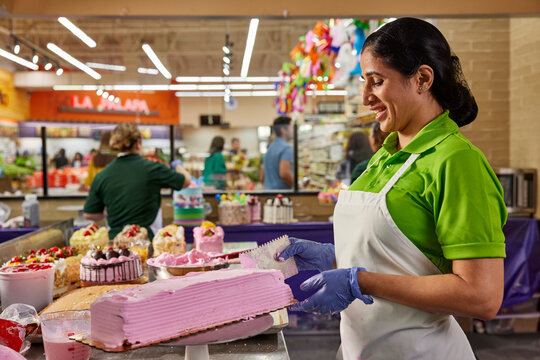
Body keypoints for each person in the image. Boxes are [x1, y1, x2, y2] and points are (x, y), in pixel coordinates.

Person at [277, 18, 506, 360]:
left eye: (377, 82)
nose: (366, 98)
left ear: (422, 79)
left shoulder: (456, 161)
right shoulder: (384, 158)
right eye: (362, 83)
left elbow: (482, 296)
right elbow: (400, 260)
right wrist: (338, 259)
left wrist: (361, 281)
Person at [83, 123, 191, 239]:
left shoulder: (102, 175)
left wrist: (109, 211)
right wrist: (178, 166)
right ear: (138, 143)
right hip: (146, 242)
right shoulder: (153, 168)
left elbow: (89, 214)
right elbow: (186, 181)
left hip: (115, 243)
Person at [263, 116, 294, 190]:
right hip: (282, 195)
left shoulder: (270, 148)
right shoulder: (286, 149)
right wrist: (296, 185)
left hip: (268, 192)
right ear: (283, 130)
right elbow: (284, 173)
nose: (293, 131)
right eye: (291, 128)